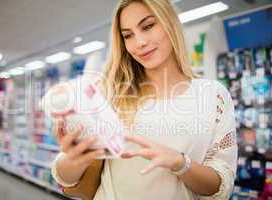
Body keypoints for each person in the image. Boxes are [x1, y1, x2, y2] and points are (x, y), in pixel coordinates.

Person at [51, 0, 238, 199]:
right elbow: (66, 179)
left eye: (148, 26)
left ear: (170, 23)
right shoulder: (109, 93)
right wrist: (74, 158)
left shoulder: (213, 96)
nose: (139, 42)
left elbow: (221, 186)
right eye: (128, 35)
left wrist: (180, 163)